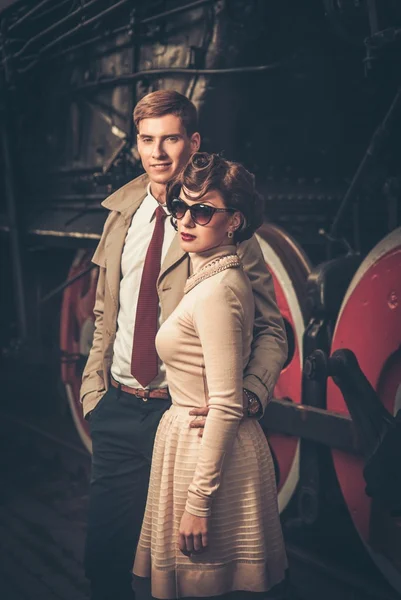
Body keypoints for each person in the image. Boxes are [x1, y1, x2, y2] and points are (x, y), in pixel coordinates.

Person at [80, 90, 288, 600]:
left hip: (184, 418)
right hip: (121, 407)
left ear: (192, 143)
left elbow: (272, 328)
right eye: (147, 140)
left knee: (182, 571)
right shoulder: (121, 216)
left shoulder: (219, 223)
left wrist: (252, 395)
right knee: (106, 562)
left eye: (171, 138)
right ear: (136, 145)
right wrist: (94, 392)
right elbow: (107, 312)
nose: (158, 153)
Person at [133, 152, 288, 599]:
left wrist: (198, 503)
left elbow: (223, 402)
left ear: (234, 221)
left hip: (210, 451)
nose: (186, 219)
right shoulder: (211, 277)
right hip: (198, 444)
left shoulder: (218, 291)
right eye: (180, 207)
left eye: (203, 211)